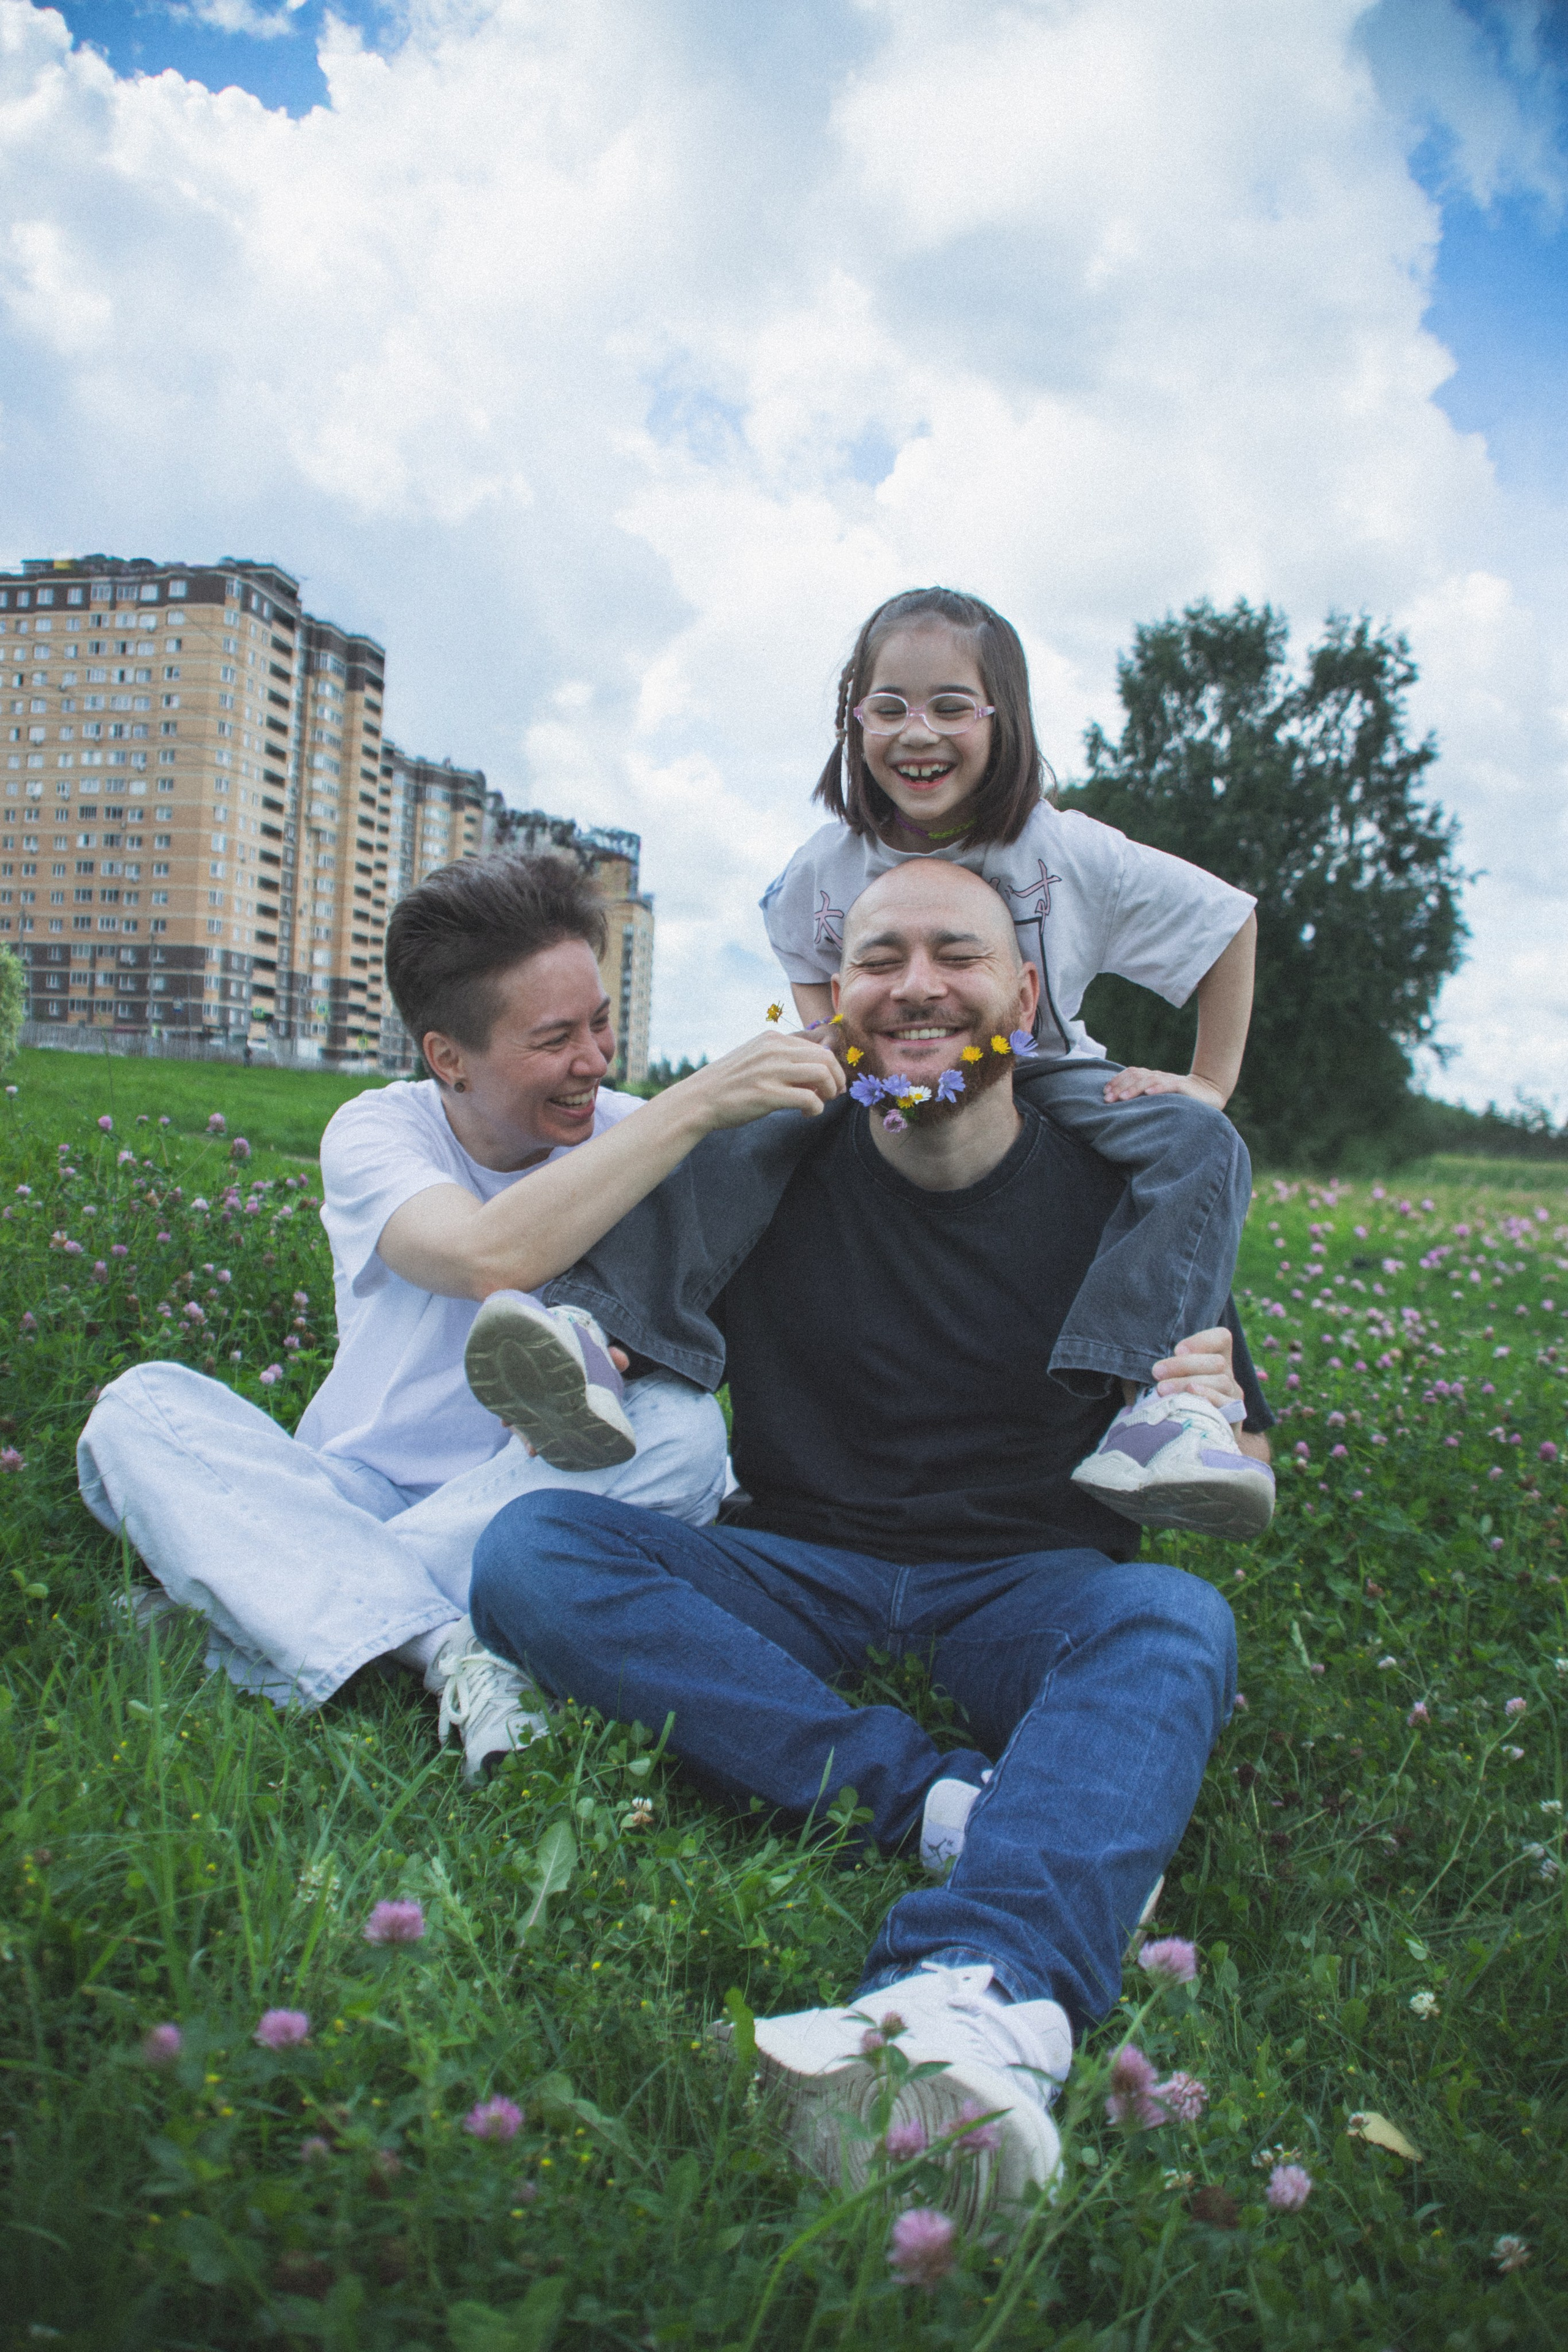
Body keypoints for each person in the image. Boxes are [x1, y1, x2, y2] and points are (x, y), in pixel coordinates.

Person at [467, 860, 1272, 2219]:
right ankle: (943, 1808)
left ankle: (977, 1998)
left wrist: (1213, 1417)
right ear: (832, 999)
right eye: (876, 956)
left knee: (1177, 1625)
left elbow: (1241, 1452)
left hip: (1028, 1584)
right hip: (797, 1563)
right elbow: (561, 1264)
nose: (914, 985)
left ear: (1024, 993)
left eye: (953, 954)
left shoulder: (1123, 1187)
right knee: (532, 1552)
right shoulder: (765, 1164)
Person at [76, 853, 843, 1779]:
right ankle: (448, 1649)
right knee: (139, 1408)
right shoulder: (380, 1131)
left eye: (602, 1024)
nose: (594, 1063)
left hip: (537, 1499)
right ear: (448, 1057)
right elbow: (487, 1255)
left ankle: (273, 1605)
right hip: (358, 1484)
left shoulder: (640, 1133)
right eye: (555, 1039)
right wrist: (696, 1104)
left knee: (683, 1439)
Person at [761, 584, 1263, 1534]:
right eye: (889, 706)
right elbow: (797, 945)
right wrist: (833, 1041)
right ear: (852, 720)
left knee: (1203, 1141)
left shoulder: (1065, 848)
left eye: (952, 705)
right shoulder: (827, 862)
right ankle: (616, 1334)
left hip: (1049, 1077)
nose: (920, 732)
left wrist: (1208, 1081)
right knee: (741, 1121)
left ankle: (1152, 1399)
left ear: (1005, 720)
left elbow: (1225, 921)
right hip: (886, 1080)